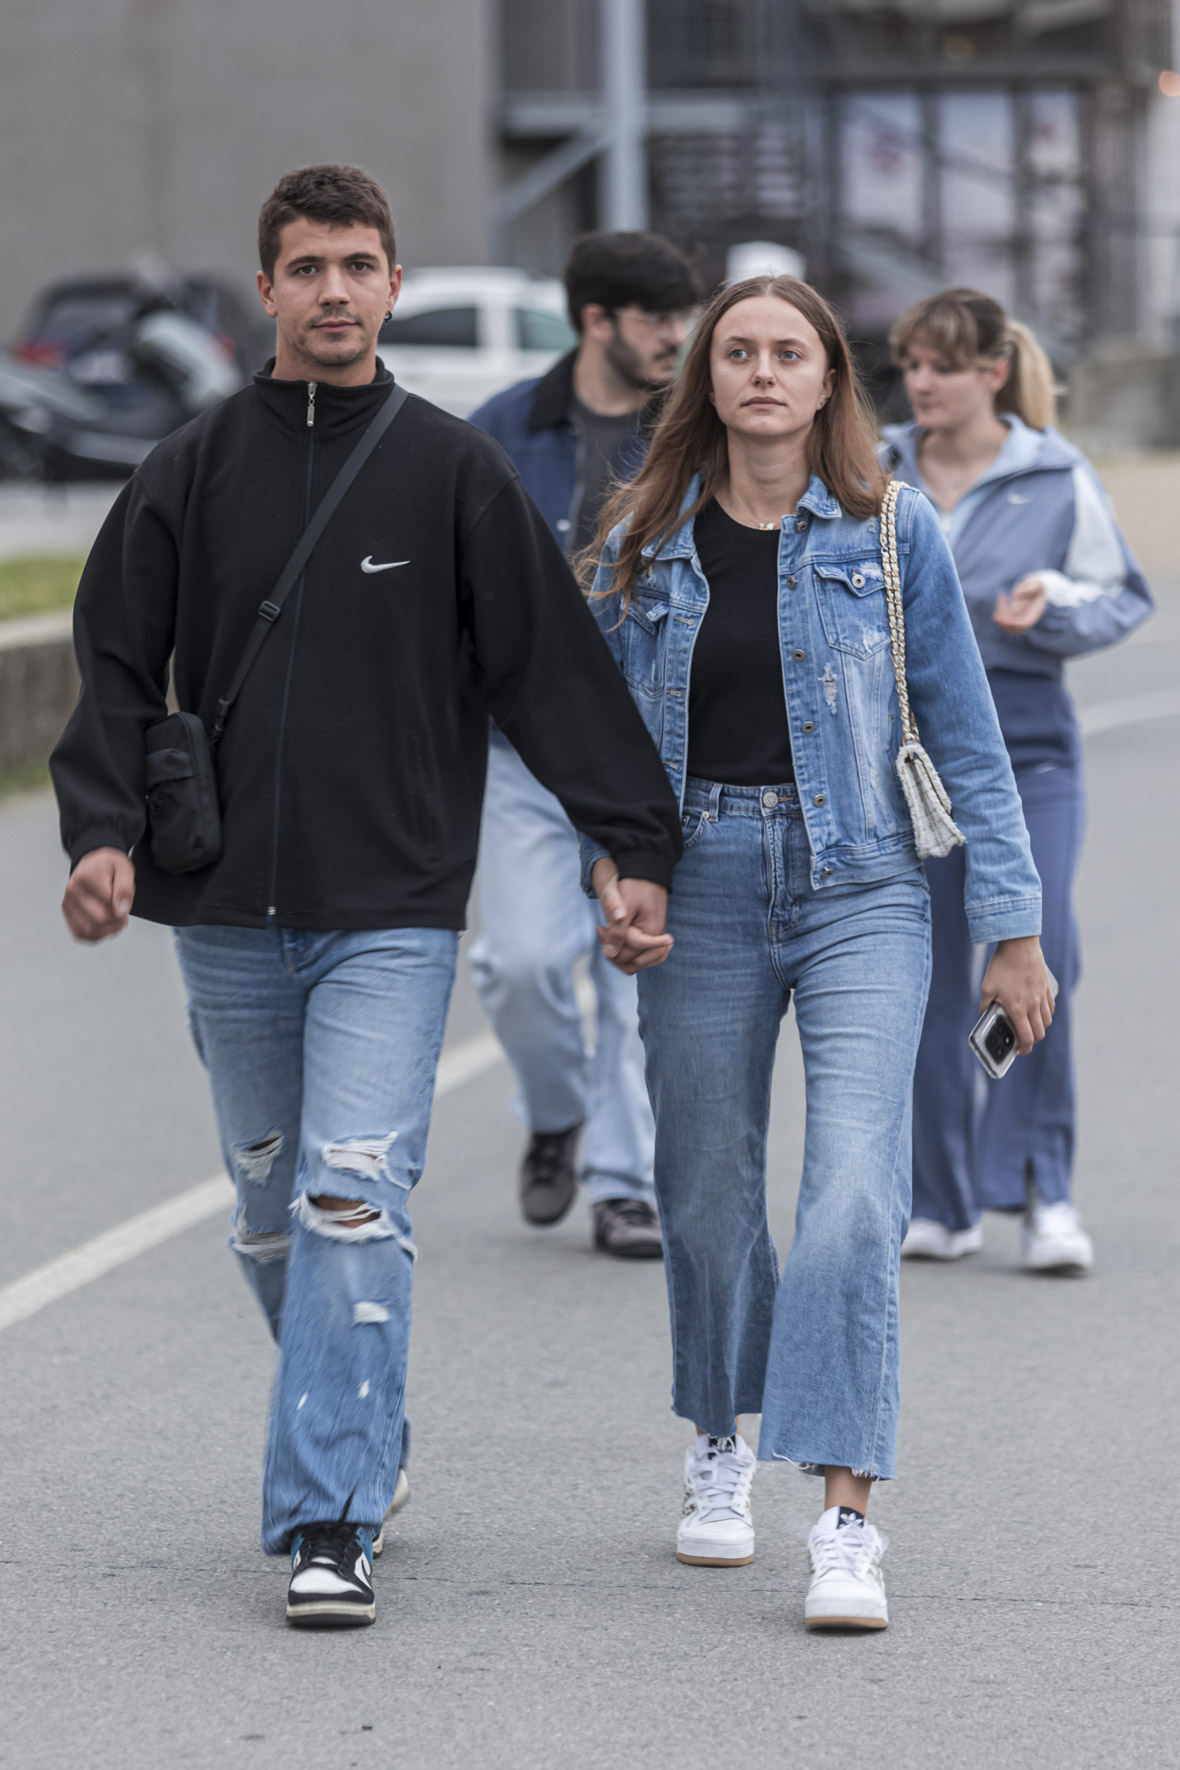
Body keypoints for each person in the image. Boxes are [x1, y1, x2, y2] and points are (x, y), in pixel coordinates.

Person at [50, 164, 680, 1630]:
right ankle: (363, 1428)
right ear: (265, 288)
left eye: (361, 264)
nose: (335, 289)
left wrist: (625, 845)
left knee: (348, 1196)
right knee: (272, 1215)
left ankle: (329, 1514)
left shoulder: (451, 471)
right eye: (308, 266)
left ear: (393, 285)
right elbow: (117, 663)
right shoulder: (190, 469)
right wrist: (101, 834)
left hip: (393, 905)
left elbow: (548, 672)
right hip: (223, 913)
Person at [581, 274, 1052, 1630]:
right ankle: (723, 1442)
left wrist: (1009, 929)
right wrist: (618, 874)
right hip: (702, 886)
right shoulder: (644, 535)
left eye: (792, 351)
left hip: (863, 884)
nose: (764, 372)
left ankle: (848, 1519)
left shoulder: (894, 531)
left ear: (832, 378)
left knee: (853, 1184)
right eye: (740, 352)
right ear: (708, 380)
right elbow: (601, 748)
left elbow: (967, 738)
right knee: (711, 1182)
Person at [883, 289, 1153, 1274]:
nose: (920, 384)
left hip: (1032, 753)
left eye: (941, 367)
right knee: (926, 983)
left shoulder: (1053, 473)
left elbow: (1122, 595)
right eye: (910, 365)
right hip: (912, 776)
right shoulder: (878, 472)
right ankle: (943, 1202)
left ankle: (1043, 1190)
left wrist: (1051, 610)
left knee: (1043, 967)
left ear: (991, 373)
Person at [467, 233, 700, 1257]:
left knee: (634, 973)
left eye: (683, 318)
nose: (677, 338)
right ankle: (555, 1111)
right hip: (519, 748)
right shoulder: (501, 429)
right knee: (519, 965)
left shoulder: (696, 433)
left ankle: (622, 1184)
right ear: (597, 320)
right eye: (658, 319)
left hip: (651, 749)